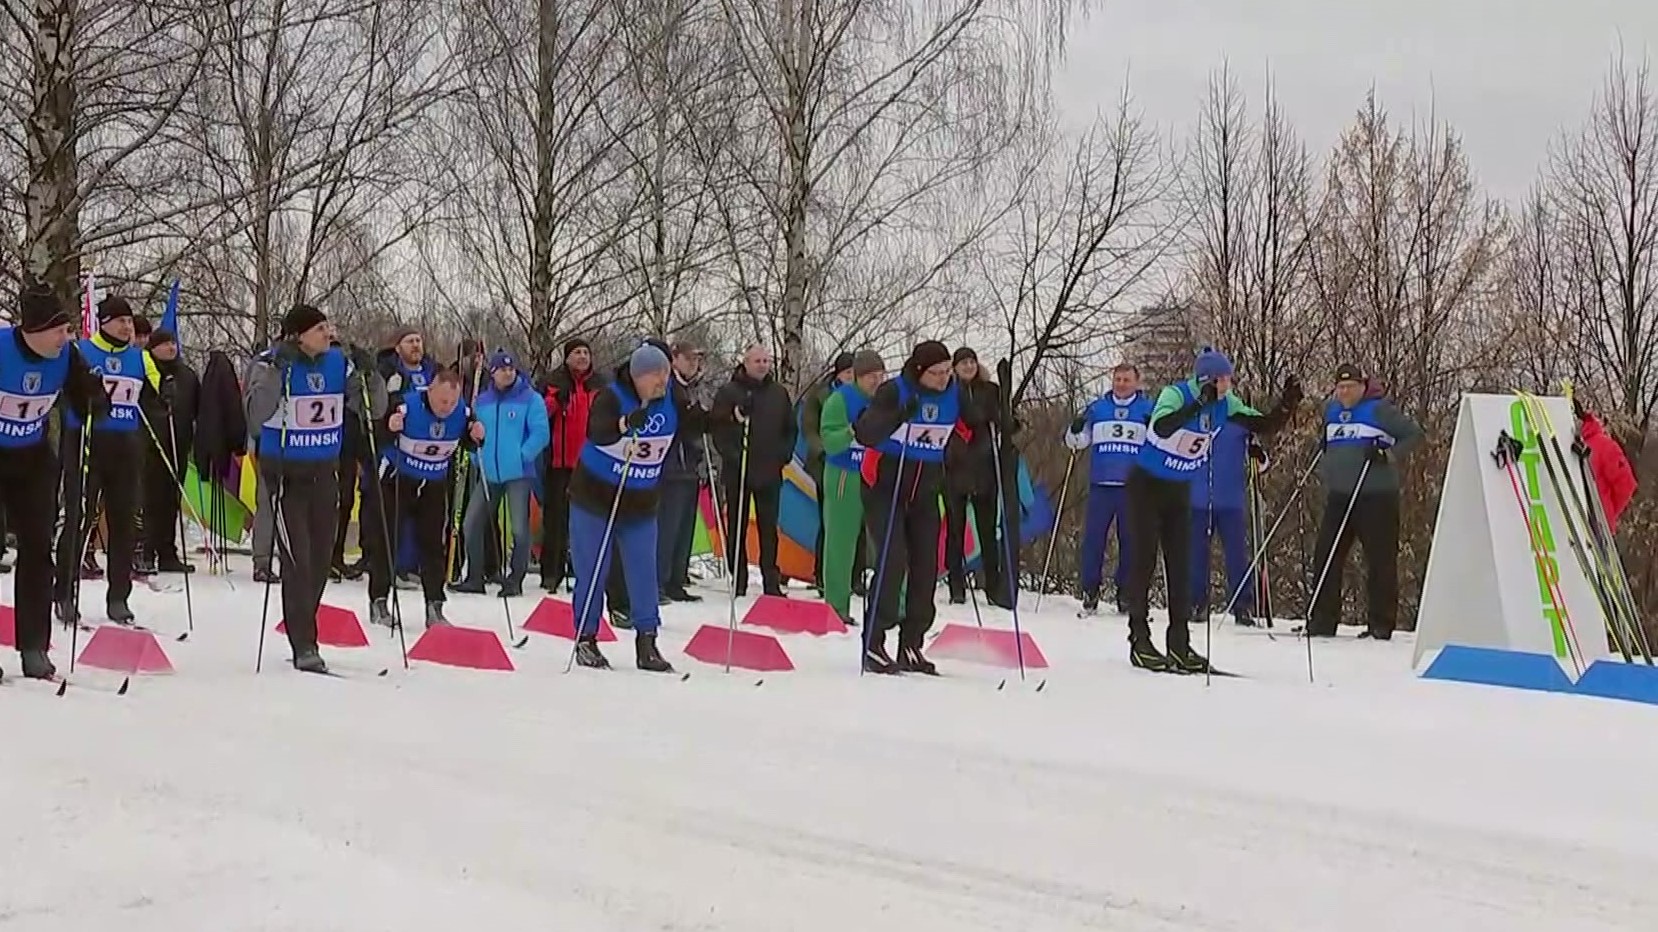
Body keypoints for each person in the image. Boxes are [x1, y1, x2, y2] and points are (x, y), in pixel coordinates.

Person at [1121, 349, 1302, 673]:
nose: (1228, 384)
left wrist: (1287, 405)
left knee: (1181, 566)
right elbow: (1162, 428)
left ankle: (1179, 643)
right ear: (1207, 380)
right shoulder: (1176, 394)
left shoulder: (1226, 403)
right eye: (1223, 379)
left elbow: (1261, 424)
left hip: (1178, 490)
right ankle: (1139, 640)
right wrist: (1198, 404)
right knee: (1144, 561)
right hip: (1147, 486)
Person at [853, 340, 984, 674]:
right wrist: (900, 414)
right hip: (884, 488)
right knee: (893, 560)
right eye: (936, 374)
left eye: (946, 372)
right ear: (919, 371)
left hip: (925, 490)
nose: (943, 379)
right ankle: (875, 640)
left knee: (927, 567)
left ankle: (912, 643)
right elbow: (866, 432)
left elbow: (972, 428)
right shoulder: (894, 391)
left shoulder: (955, 392)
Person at [1, 284, 108, 680]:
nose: (67, 338)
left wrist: (95, 398)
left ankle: (33, 646)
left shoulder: (67, 357)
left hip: (31, 459)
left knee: (37, 551)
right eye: (59, 330)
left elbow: (86, 398)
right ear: (34, 329)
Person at [243, 304, 351, 673]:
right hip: (285, 476)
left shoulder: (337, 363)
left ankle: (305, 628)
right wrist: (277, 373)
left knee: (320, 561)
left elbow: (376, 406)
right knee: (297, 561)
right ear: (298, 334)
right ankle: (304, 641)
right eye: (320, 328)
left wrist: (369, 375)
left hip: (325, 473)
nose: (328, 333)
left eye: (327, 326)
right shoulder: (268, 363)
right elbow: (256, 417)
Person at [568, 342, 681, 672]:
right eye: (655, 376)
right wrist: (626, 422)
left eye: (665, 374)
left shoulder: (671, 396)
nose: (662, 381)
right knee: (593, 568)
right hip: (596, 497)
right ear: (637, 377)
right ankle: (586, 638)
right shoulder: (612, 396)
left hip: (641, 501)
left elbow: (694, 420)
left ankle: (647, 641)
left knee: (645, 571)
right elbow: (597, 431)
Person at [55, 295, 155, 626]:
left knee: (124, 523)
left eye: (130, 321)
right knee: (79, 518)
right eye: (121, 321)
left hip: (125, 447)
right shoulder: (81, 352)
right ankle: (65, 594)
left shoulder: (141, 358)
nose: (128, 327)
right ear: (105, 322)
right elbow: (62, 394)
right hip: (85, 442)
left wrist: (166, 396)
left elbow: (154, 397)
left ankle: (119, 597)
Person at [1305, 364, 1422, 641]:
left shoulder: (1378, 409)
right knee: (1326, 553)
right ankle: (1322, 620)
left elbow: (1414, 434)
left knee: (1379, 559)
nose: (1344, 392)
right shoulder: (1332, 411)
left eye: (1350, 387)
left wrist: (1388, 454)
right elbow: (1331, 441)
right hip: (1340, 494)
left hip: (1375, 495)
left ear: (1362, 387)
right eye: (1340, 387)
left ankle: (1381, 623)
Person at [366, 369, 484, 628]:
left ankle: (435, 606)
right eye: (443, 401)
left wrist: (477, 435)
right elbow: (376, 434)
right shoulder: (405, 405)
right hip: (397, 478)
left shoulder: (462, 413)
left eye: (452, 402)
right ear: (429, 391)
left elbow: (469, 442)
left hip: (433, 481)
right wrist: (389, 426)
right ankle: (379, 600)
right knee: (389, 540)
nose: (447, 408)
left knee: (432, 544)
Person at [454, 350, 548, 597]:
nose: (508, 372)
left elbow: (540, 433)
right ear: (493, 373)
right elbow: (473, 433)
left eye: (511, 368)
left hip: (517, 472)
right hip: (488, 471)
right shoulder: (482, 401)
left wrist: (523, 455)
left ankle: (514, 578)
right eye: (502, 369)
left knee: (518, 528)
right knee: (471, 523)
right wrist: (476, 455)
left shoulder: (530, 398)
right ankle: (475, 576)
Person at [1064, 363, 1153, 616]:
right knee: (1094, 540)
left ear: (1137, 382)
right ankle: (1090, 590)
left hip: (1133, 488)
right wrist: (1076, 428)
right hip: (1102, 484)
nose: (1121, 384)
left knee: (1131, 542)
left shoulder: (1148, 409)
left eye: (1126, 380)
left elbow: (1161, 441)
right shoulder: (1097, 408)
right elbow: (1076, 443)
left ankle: (1126, 593)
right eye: (1117, 379)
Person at [709, 345, 796, 596]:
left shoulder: (778, 393)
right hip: (739, 468)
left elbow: (789, 428)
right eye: (757, 360)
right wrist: (733, 455)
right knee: (737, 525)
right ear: (745, 363)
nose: (762, 365)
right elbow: (718, 426)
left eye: (766, 361)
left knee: (769, 527)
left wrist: (783, 455)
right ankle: (739, 578)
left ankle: (771, 579)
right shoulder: (729, 392)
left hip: (770, 469)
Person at [819, 350, 883, 625]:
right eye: (871, 376)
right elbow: (829, 440)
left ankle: (892, 605)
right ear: (858, 376)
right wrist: (851, 432)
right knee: (840, 541)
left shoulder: (886, 400)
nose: (877, 381)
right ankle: (836, 605)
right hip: (846, 472)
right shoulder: (841, 399)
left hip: (878, 475)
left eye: (881, 375)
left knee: (886, 541)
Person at [942, 347, 1010, 607]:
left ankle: (993, 586)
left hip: (983, 468)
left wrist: (1005, 393)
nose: (968, 366)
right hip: (956, 467)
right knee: (955, 532)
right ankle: (956, 585)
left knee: (987, 533)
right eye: (963, 363)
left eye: (971, 362)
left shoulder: (989, 390)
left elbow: (1001, 417)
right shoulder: (948, 391)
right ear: (955, 367)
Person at [538, 337, 602, 592]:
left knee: (587, 518)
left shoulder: (599, 384)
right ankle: (551, 571)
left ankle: (583, 569)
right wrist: (555, 402)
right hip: (559, 460)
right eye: (577, 352)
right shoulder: (553, 382)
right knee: (556, 519)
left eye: (586, 352)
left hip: (590, 461)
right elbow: (539, 415)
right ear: (566, 357)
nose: (582, 357)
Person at [1190, 421, 1268, 626]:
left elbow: (1261, 464)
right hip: (1197, 500)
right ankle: (1196, 602)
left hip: (1231, 501)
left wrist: (1257, 455)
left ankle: (1242, 605)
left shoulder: (1239, 419)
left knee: (1237, 556)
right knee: (1196, 555)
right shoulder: (1194, 417)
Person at [139, 328, 200, 573]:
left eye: (173, 343)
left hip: (179, 445)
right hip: (150, 447)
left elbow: (196, 408)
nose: (171, 348)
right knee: (150, 501)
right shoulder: (146, 371)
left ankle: (167, 552)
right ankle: (146, 549)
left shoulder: (186, 375)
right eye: (164, 344)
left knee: (170, 502)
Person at [657, 340, 709, 602]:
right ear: (675, 358)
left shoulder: (692, 388)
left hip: (690, 464)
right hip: (672, 464)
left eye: (696, 360)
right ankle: (660, 581)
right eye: (689, 359)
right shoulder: (670, 386)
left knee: (685, 526)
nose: (693, 364)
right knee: (669, 525)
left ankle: (677, 579)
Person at [801, 352, 855, 588]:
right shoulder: (822, 396)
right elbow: (809, 428)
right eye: (848, 373)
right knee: (830, 520)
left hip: (856, 463)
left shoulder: (863, 397)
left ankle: (855, 576)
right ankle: (823, 574)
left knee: (857, 523)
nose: (851, 378)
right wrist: (825, 448)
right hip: (826, 464)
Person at [1574, 398, 1636, 533]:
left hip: (1597, 525)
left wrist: (1607, 512)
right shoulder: (1555, 446)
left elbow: (1626, 485)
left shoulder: (1604, 445)